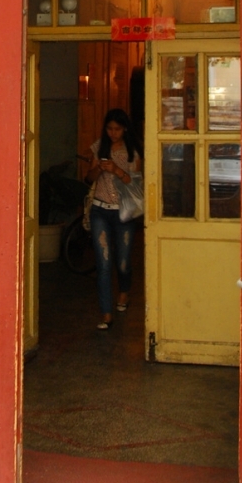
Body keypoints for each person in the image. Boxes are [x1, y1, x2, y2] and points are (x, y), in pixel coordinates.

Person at [85, 108, 142, 330]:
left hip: (124, 212)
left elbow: (136, 184)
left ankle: (124, 293)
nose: (113, 133)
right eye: (109, 129)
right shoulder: (99, 147)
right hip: (100, 210)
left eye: (117, 129)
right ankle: (106, 313)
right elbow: (88, 178)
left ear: (125, 128)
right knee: (104, 263)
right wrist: (98, 169)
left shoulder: (132, 152)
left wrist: (117, 170)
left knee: (123, 262)